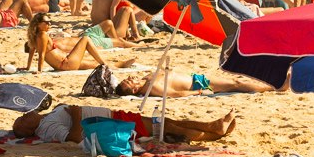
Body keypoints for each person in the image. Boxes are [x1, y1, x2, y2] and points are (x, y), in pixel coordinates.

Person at [13, 104, 236, 146]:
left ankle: (212, 129)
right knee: (166, 127)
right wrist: (77, 112)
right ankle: (213, 130)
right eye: (23, 119)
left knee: (166, 124)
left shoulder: (46, 117)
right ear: (27, 130)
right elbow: (73, 138)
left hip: (113, 116)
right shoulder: (46, 128)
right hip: (112, 124)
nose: (26, 114)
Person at [23, 11, 133, 72]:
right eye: (46, 22)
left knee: (93, 64)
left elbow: (32, 51)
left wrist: (28, 67)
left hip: (65, 64)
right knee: (85, 39)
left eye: (49, 22)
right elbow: (41, 54)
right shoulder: (42, 34)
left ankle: (120, 64)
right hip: (65, 63)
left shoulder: (34, 36)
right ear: (37, 24)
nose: (49, 24)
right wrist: (39, 71)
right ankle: (106, 64)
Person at [115, 69, 273, 97]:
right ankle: (272, 88)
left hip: (195, 77)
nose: (129, 78)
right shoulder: (151, 87)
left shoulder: (146, 79)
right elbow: (177, 94)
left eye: (126, 79)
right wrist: (198, 92)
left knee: (237, 81)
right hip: (197, 84)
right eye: (128, 82)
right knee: (236, 83)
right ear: (135, 91)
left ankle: (268, 84)